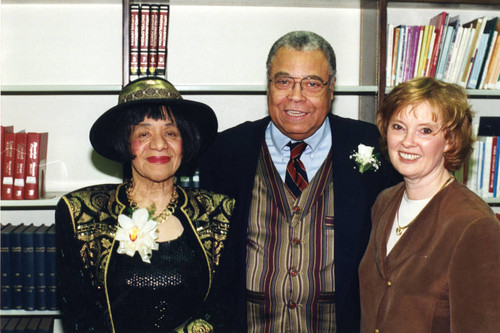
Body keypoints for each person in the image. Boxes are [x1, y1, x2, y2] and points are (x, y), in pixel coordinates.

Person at [198, 30, 400, 332]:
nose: (296, 96)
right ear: (268, 85)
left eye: (312, 83)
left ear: (331, 89)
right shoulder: (225, 152)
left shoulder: (376, 146)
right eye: (284, 81)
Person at [55, 77, 235, 333]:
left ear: (185, 143)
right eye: (143, 133)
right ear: (125, 142)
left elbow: (222, 307)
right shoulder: (80, 212)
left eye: (171, 133)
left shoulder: (221, 213)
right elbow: (78, 315)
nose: (159, 144)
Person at [359, 77, 500, 332]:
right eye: (399, 127)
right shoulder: (384, 201)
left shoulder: (474, 224)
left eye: (425, 130)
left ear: (450, 140)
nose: (407, 141)